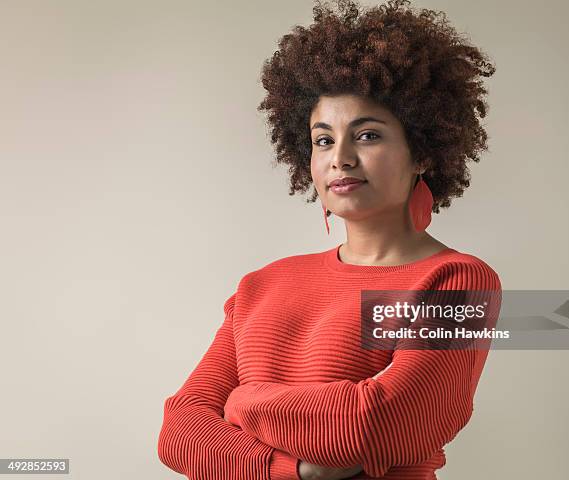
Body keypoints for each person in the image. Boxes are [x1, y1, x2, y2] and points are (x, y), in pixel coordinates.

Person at [157, 1, 501, 479]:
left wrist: (241, 402)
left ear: (421, 152)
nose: (340, 158)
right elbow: (179, 433)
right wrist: (296, 469)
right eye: (323, 140)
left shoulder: (457, 281)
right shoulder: (261, 285)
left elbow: (385, 421)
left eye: (367, 135)